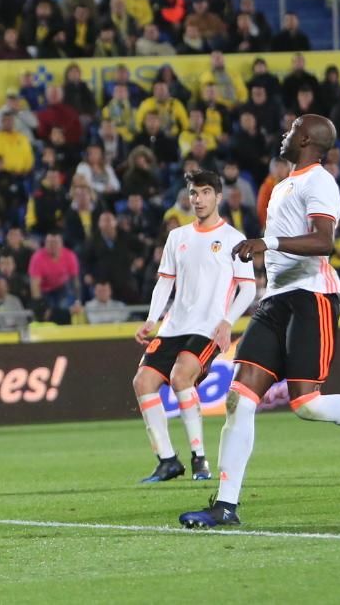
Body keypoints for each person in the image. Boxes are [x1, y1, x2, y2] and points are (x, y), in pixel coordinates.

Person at [179, 116, 340, 529]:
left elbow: (324, 241)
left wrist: (266, 243)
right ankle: (225, 506)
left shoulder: (320, 181)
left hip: (311, 297)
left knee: (307, 404)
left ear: (304, 139)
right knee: (239, 398)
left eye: (292, 128)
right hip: (275, 300)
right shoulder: (283, 185)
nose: (284, 133)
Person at [135, 169, 257, 484]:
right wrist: (152, 319)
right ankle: (167, 461)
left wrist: (227, 322)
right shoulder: (177, 237)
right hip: (174, 325)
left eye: (205, 192)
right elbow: (165, 282)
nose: (198, 199)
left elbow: (248, 289)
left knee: (181, 377)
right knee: (143, 382)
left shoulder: (234, 239)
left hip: (209, 327)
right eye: (193, 193)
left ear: (218, 197)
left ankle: (199, 458)